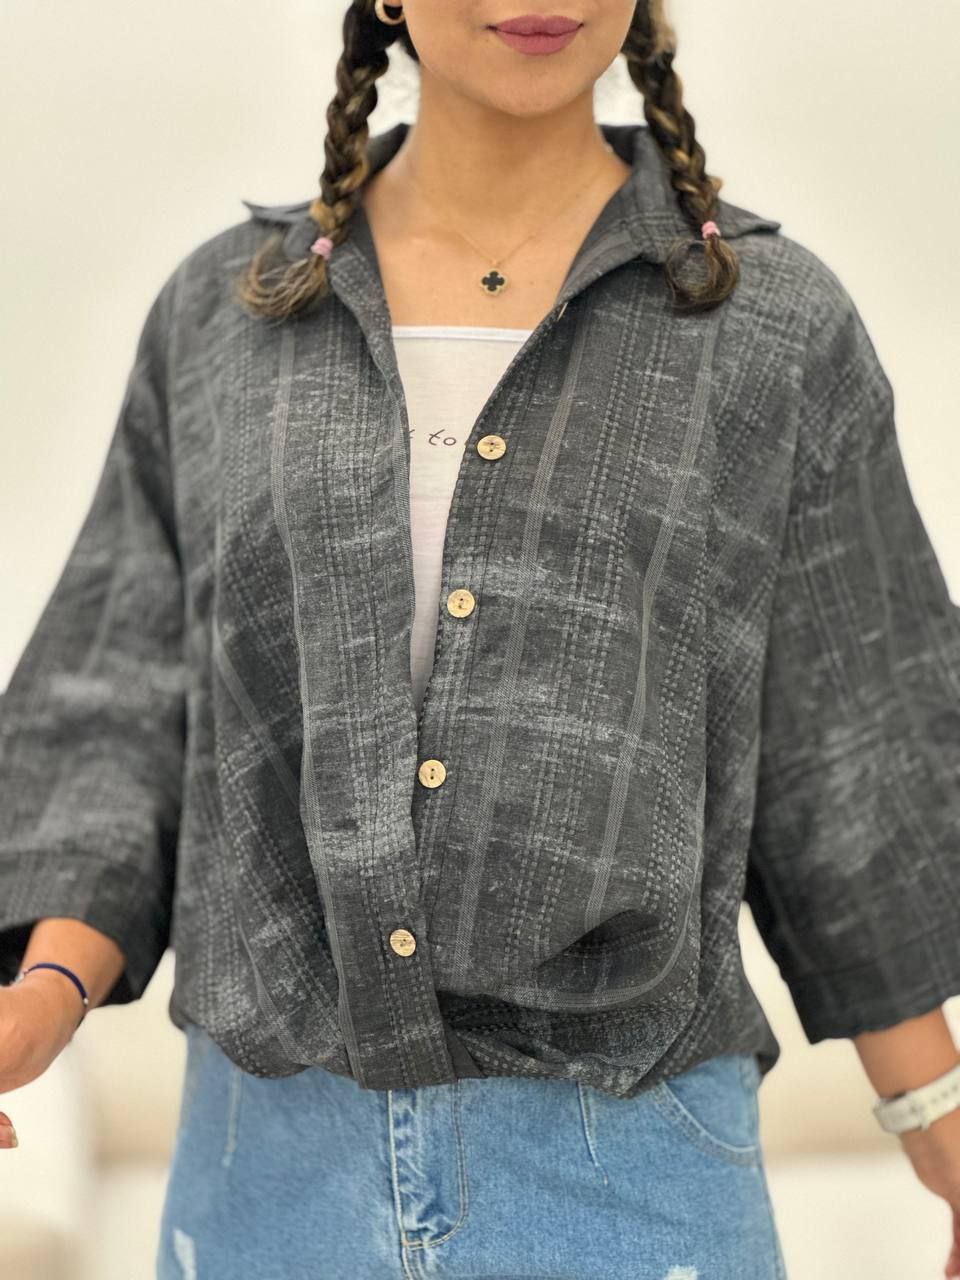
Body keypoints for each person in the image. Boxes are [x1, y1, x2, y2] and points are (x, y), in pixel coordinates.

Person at [2, 1, 960, 1277]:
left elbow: (849, 762)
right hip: (266, 1169)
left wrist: (938, 1123)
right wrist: (45, 994)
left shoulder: (772, 324)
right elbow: (121, 698)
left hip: (630, 1173)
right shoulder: (226, 314)